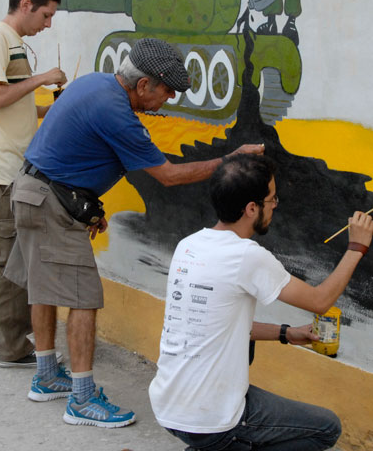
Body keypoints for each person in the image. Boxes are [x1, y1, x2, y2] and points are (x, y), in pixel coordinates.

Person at [5, 37, 264, 428]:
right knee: (83, 298)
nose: (166, 101)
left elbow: (73, 153)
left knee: (45, 285)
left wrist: (87, 205)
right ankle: (82, 400)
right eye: (166, 93)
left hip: (36, 195)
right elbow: (169, 176)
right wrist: (231, 159)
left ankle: (46, 376)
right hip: (50, 204)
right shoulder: (116, 111)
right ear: (143, 85)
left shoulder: (94, 84)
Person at [149, 153, 373, 450]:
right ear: (252, 209)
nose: (276, 205)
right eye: (272, 199)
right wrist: (357, 247)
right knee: (325, 428)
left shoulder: (188, 245)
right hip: (212, 416)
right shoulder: (247, 255)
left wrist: (286, 333)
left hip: (169, 404)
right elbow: (320, 301)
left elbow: (219, 324)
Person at [0, 0, 67, 368]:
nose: (48, 24)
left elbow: (7, 101)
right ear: (25, 4)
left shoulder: (10, 43)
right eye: (46, 14)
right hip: (2, 172)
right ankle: (14, 347)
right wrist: (42, 80)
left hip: (1, 169)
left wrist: (46, 110)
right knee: (11, 264)